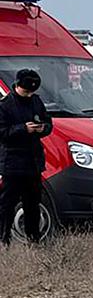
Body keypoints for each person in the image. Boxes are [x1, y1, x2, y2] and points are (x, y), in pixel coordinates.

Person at [0, 69, 53, 245]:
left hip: (33, 162)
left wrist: (42, 128)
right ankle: (3, 239)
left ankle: (34, 239)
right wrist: (23, 129)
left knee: (33, 204)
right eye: (26, 91)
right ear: (17, 86)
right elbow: (2, 133)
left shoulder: (36, 101)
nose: (29, 94)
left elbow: (48, 123)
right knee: (7, 204)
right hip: (13, 163)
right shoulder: (5, 105)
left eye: (32, 91)